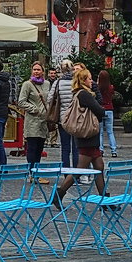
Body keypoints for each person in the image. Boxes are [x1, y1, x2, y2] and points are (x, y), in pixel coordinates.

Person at [53, 67, 106, 208]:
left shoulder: (80, 93)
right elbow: (100, 110)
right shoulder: (84, 94)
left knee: (99, 166)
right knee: (80, 169)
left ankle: (104, 199)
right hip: (86, 136)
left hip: (89, 137)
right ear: (83, 80)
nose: (91, 81)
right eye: (89, 78)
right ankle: (59, 193)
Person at [17, 61, 50, 169]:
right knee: (32, 147)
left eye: (38, 69)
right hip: (32, 120)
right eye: (34, 69)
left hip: (43, 121)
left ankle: (37, 169)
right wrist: (33, 109)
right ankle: (32, 172)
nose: (36, 72)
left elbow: (48, 100)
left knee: (40, 148)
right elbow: (21, 101)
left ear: (43, 71)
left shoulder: (47, 84)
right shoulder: (27, 84)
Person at [50, 59, 78, 168]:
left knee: (65, 148)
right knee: (76, 148)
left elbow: (50, 99)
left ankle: (66, 174)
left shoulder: (57, 83)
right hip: (75, 118)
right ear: (72, 69)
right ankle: (76, 174)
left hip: (63, 119)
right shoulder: (76, 82)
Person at [97, 69, 118, 157]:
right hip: (109, 109)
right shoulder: (111, 87)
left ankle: (100, 150)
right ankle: (113, 150)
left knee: (100, 132)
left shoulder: (98, 87)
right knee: (110, 131)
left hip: (101, 109)